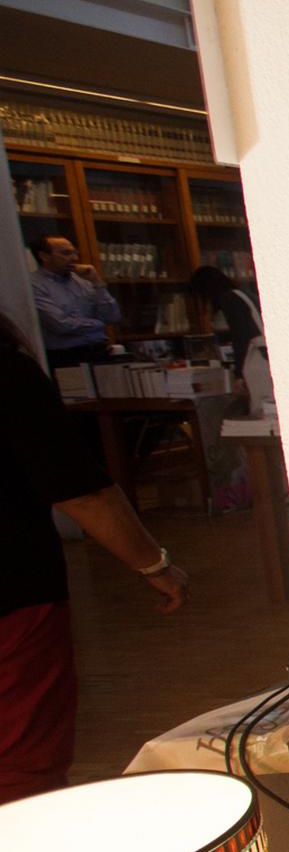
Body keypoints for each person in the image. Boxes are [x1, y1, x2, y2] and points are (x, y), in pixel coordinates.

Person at [1, 315, 187, 802]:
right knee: (19, 770)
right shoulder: (6, 372)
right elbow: (80, 492)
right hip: (13, 599)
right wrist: (155, 565)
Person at [28, 236, 119, 369]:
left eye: (75, 253)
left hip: (100, 351)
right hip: (66, 356)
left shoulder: (83, 281)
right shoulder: (34, 284)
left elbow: (112, 316)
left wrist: (97, 282)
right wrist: (99, 324)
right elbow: (61, 325)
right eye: (66, 253)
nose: (74, 258)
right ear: (44, 256)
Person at [186, 265, 264, 383]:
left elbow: (240, 336)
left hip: (256, 360)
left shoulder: (229, 299)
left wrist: (239, 372)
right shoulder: (242, 293)